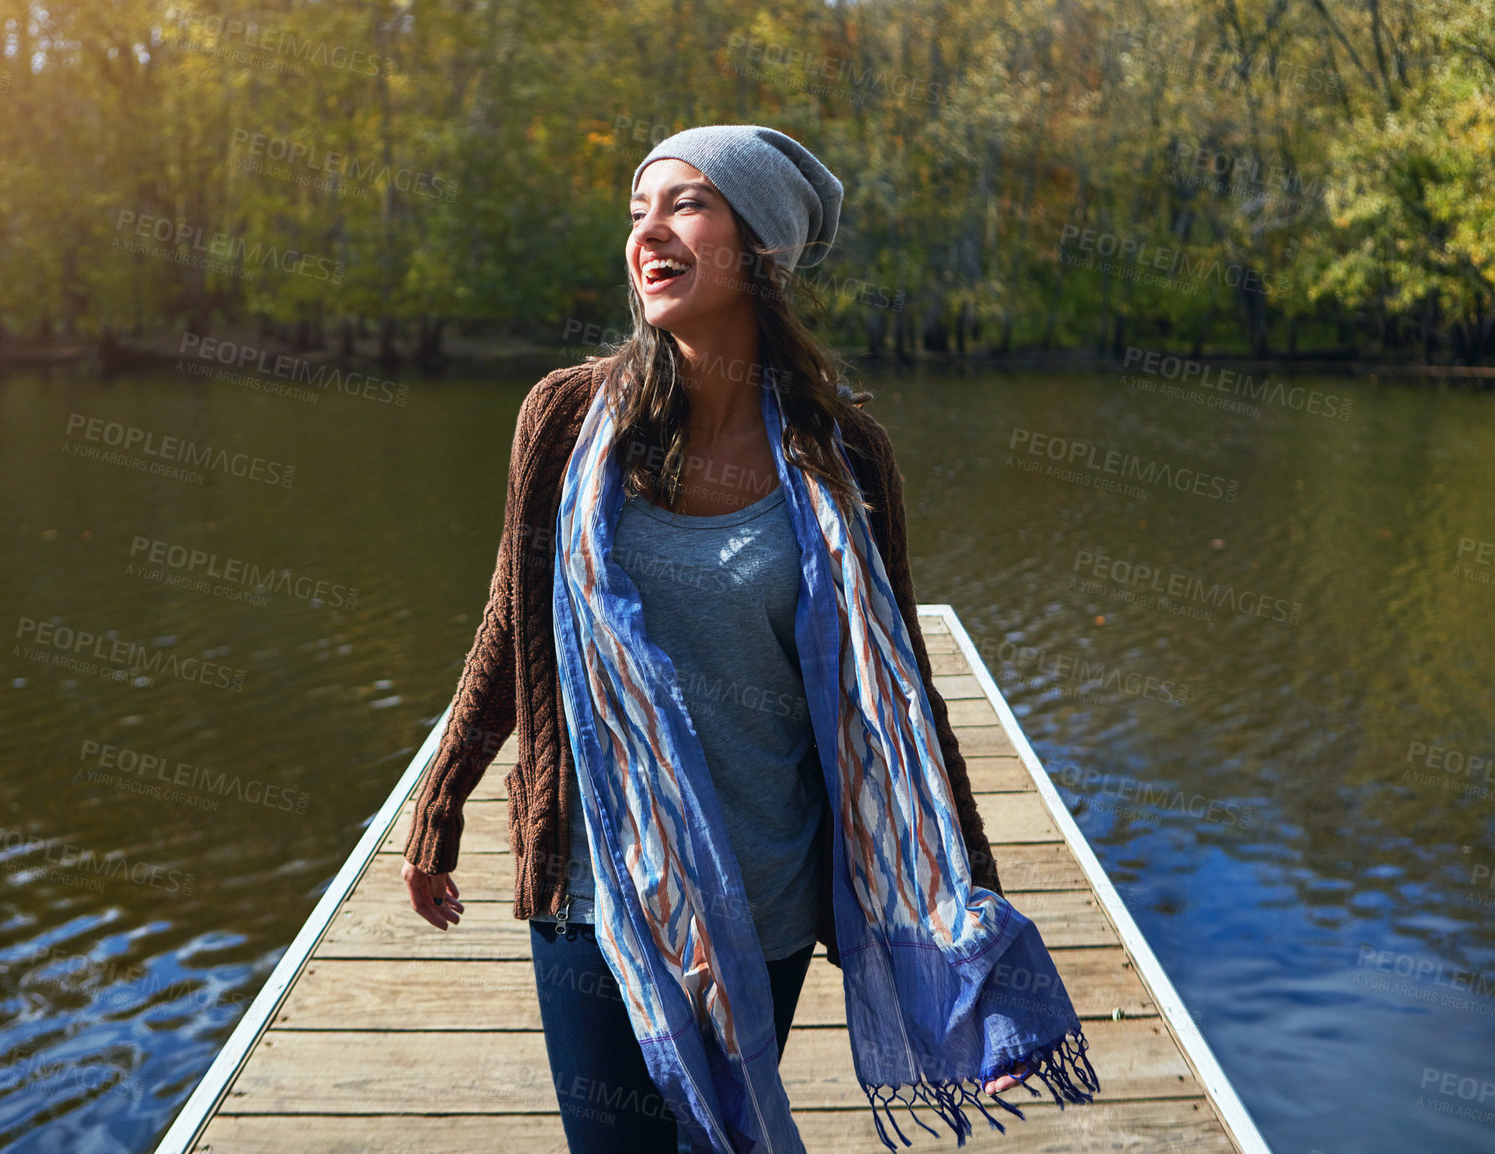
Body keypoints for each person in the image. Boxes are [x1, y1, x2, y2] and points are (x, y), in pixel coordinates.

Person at [403, 125, 1091, 1154]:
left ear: (760, 246)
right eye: (638, 212)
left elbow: (897, 680)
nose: (649, 232)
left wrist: (971, 890)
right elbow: (513, 620)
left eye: (685, 203)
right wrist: (442, 791)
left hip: (761, 890)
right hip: (592, 884)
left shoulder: (843, 450)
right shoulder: (565, 420)